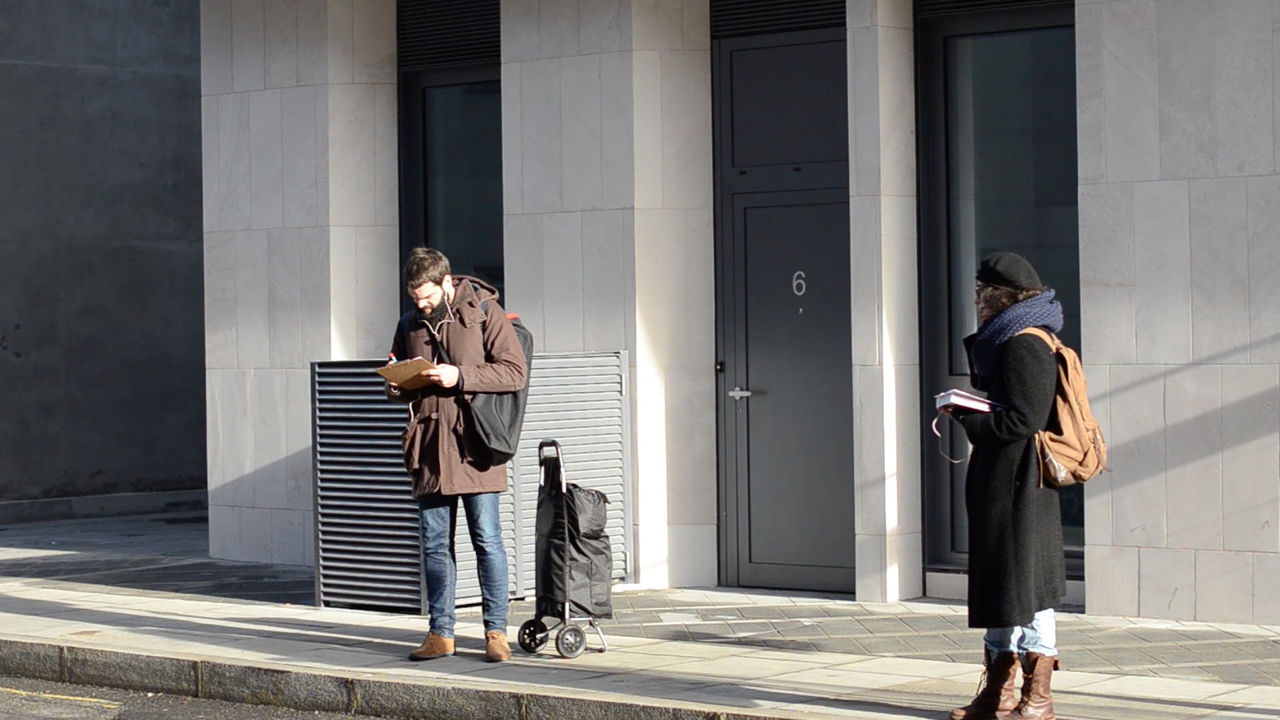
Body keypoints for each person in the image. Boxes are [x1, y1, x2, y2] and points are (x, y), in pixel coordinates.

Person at [385, 248, 528, 663]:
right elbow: (397, 368)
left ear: (447, 283)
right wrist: (396, 386)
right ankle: (440, 633)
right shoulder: (408, 323)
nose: (421, 305)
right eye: (415, 298)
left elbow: (514, 372)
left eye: (427, 296)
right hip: (428, 448)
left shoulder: (485, 311)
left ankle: (496, 633)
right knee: (433, 545)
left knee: (487, 541)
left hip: (476, 446)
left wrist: (460, 376)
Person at [946, 252, 1065, 720]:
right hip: (1005, 481)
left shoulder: (1024, 344)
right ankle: (1000, 692)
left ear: (1000, 297)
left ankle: (1037, 696)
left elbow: (1024, 419)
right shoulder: (1007, 340)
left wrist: (968, 419)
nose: (976, 302)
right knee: (1003, 584)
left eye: (981, 294)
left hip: (1021, 483)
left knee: (1027, 586)